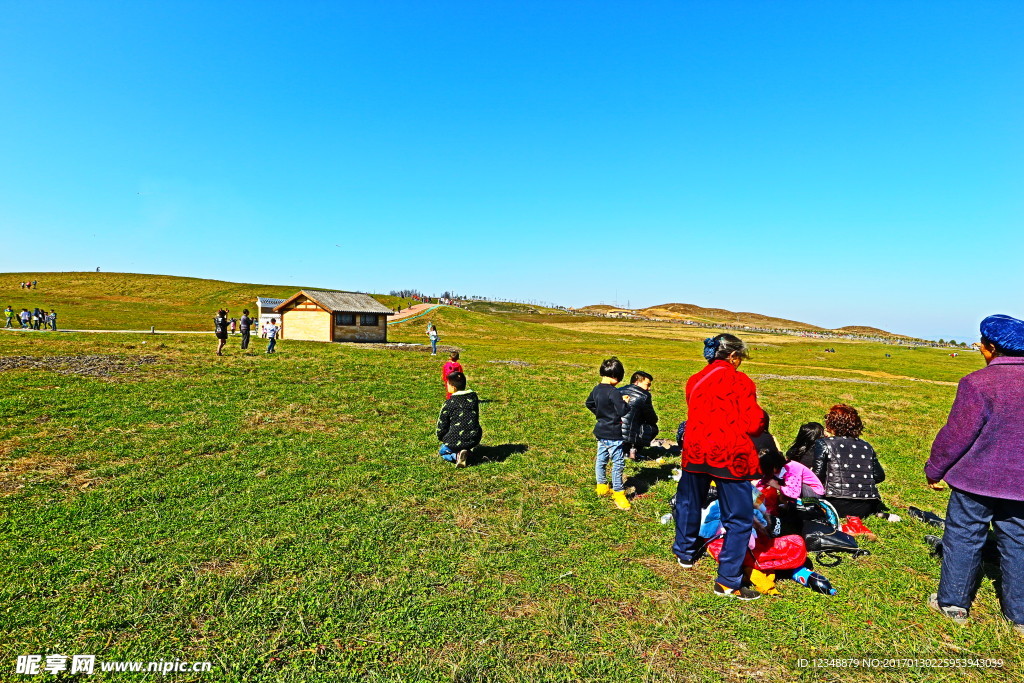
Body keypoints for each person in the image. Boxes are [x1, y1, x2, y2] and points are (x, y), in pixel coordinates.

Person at [925, 314, 1024, 632]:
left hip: (975, 481)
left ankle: (953, 603)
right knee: (1018, 543)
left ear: (991, 348)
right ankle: (1020, 616)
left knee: (964, 538)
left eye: (982, 344)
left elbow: (957, 434)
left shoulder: (977, 383)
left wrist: (935, 469)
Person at [672, 334, 767, 600]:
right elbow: (753, 423)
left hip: (696, 449)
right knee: (738, 517)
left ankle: (685, 552)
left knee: (689, 501)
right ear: (734, 357)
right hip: (729, 454)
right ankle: (727, 581)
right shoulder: (741, 381)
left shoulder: (695, 379)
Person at [811, 404, 897, 521]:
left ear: (832, 423)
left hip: (834, 504)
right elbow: (879, 476)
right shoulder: (866, 446)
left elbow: (817, 477)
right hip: (866, 506)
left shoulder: (824, 443)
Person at [586, 357, 633, 511]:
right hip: (614, 434)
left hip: (600, 431)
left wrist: (600, 413)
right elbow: (622, 411)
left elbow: (589, 403)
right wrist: (625, 401)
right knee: (618, 463)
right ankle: (618, 492)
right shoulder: (614, 392)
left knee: (601, 460)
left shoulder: (597, 389)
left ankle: (601, 486)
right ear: (616, 376)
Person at [436, 371, 482, 468]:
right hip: (474, 437)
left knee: (443, 451)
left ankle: (456, 456)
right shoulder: (473, 398)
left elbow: (442, 424)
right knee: (463, 440)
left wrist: (442, 437)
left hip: (454, 439)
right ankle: (466, 452)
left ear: (453, 387)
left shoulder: (449, 403)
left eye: (447, 384)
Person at [619, 370, 659, 459]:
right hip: (629, 433)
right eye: (647, 384)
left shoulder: (619, 390)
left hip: (613, 428)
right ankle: (634, 450)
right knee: (652, 428)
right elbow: (651, 418)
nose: (649, 388)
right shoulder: (644, 395)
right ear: (637, 382)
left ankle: (624, 450)